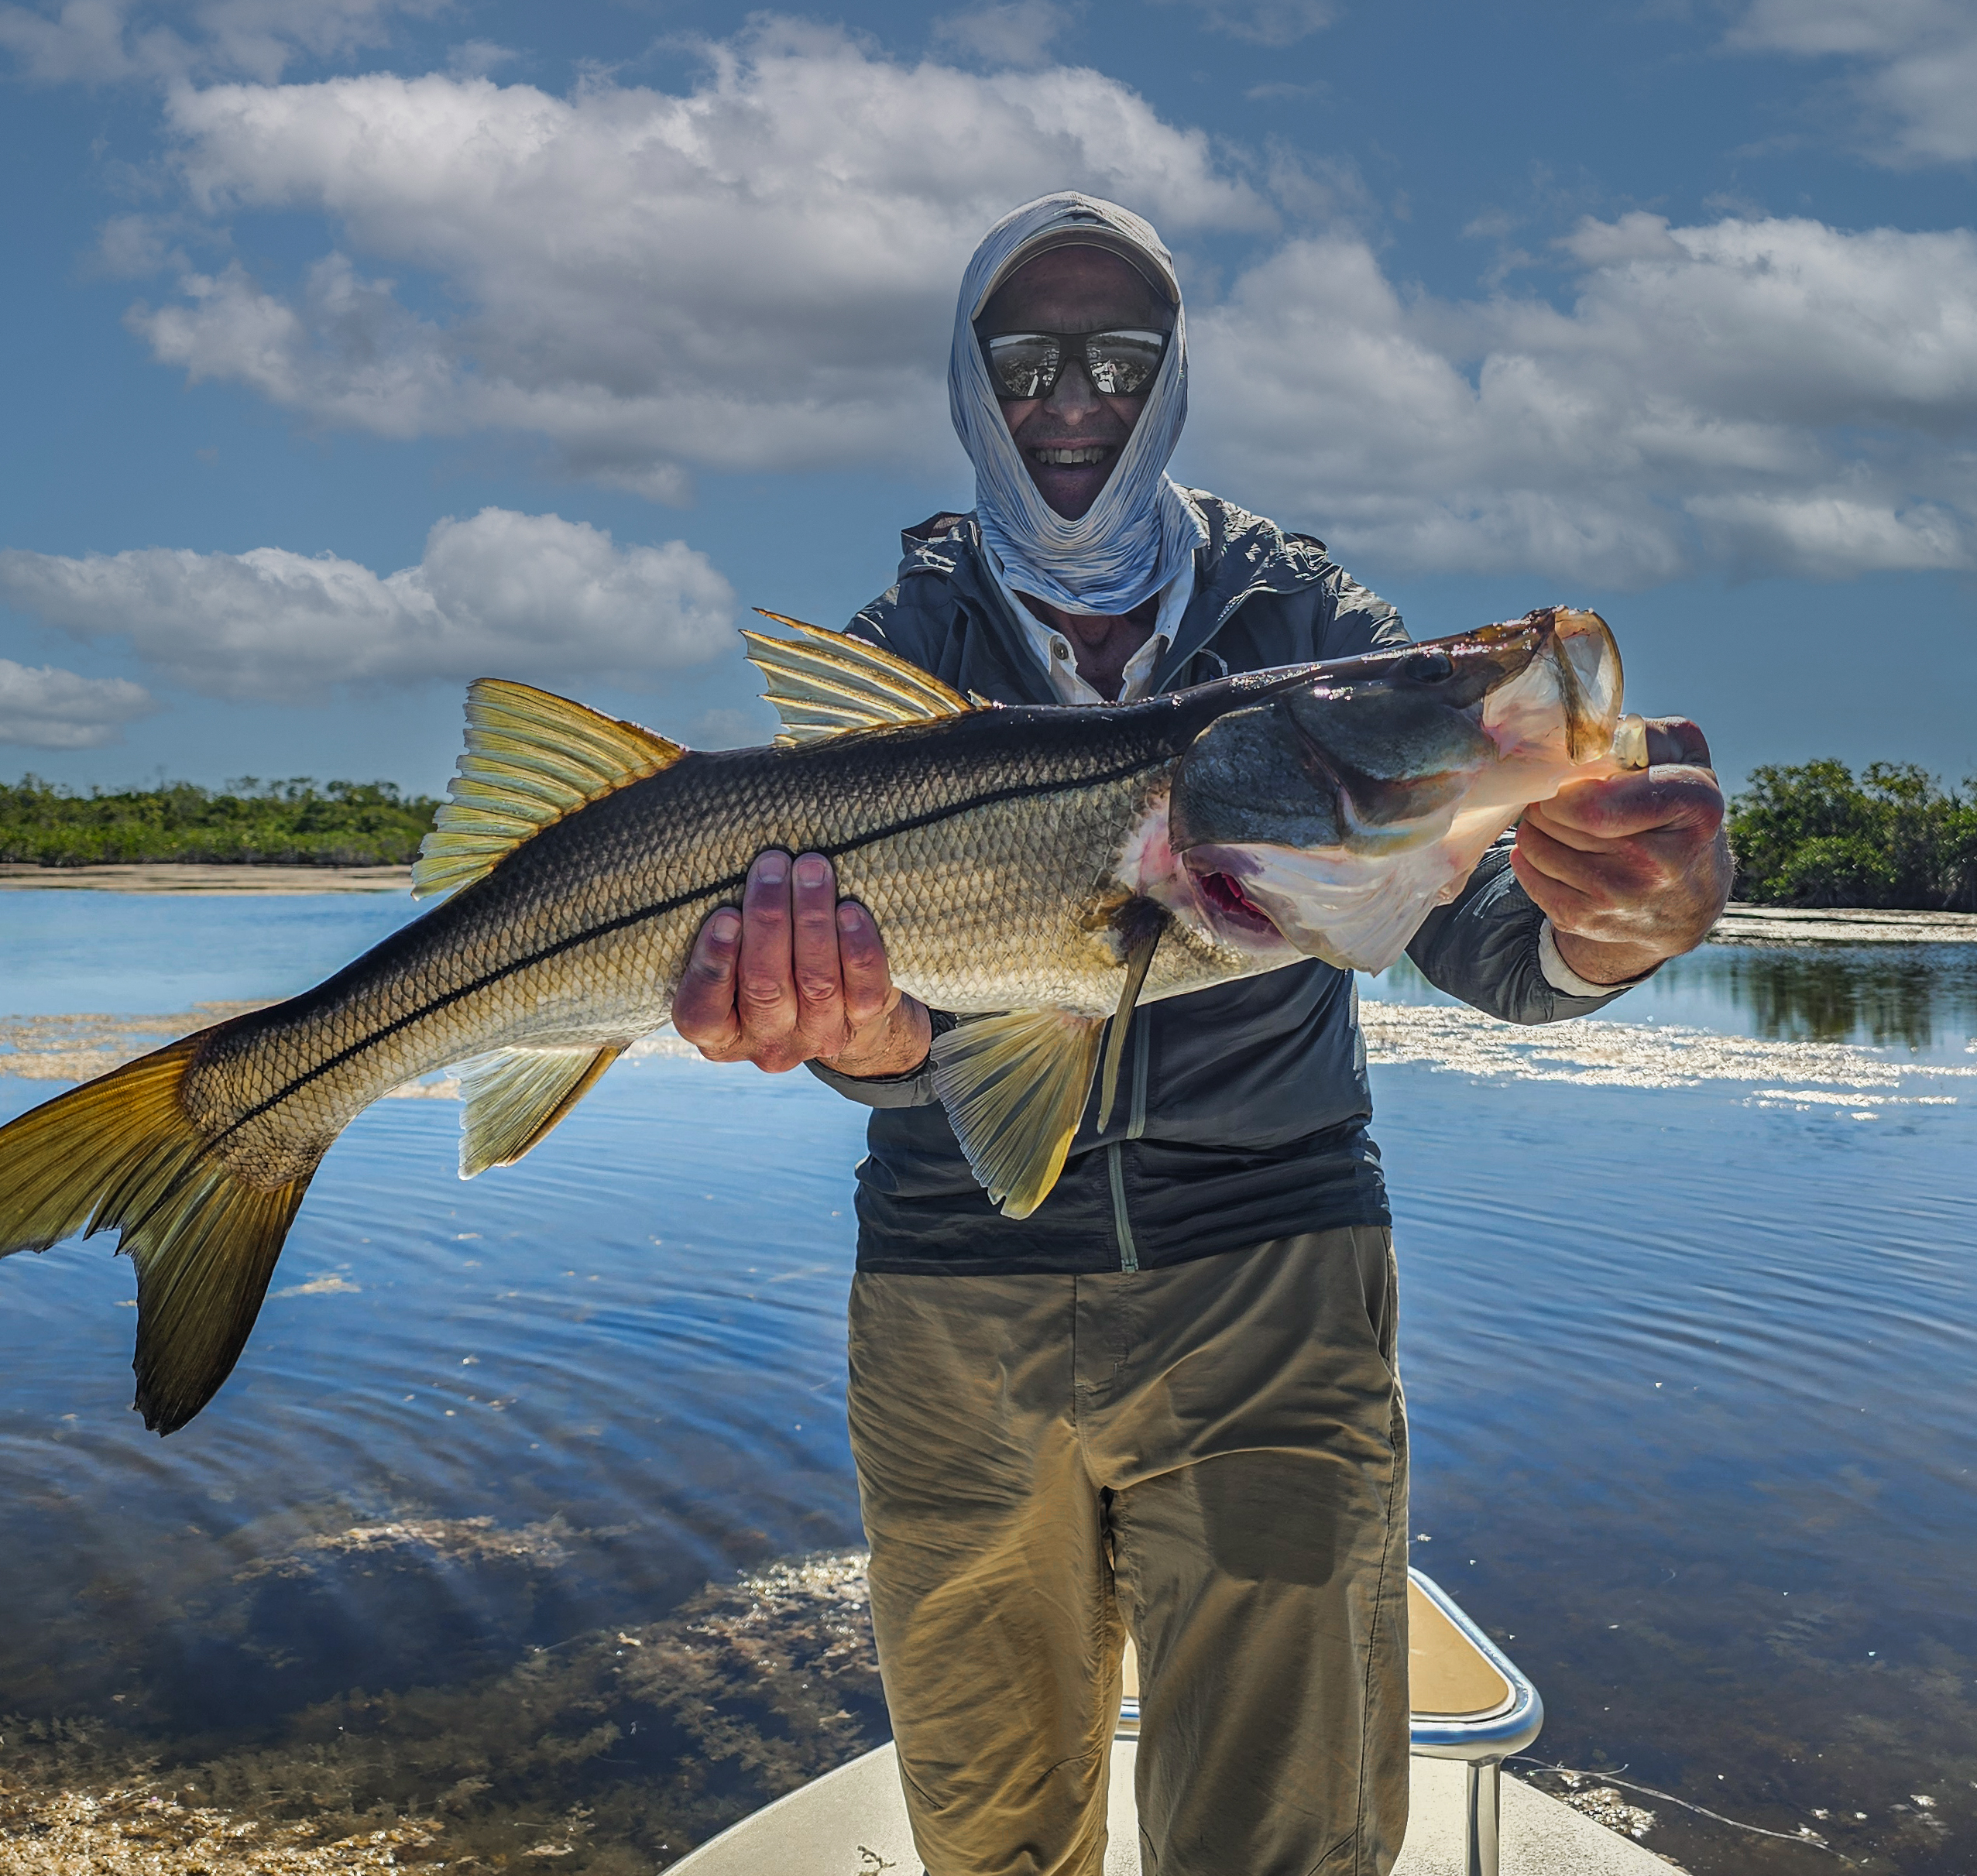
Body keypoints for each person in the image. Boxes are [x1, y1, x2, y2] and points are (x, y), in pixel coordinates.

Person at [670, 193, 1731, 1875]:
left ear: (1172, 378)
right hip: (953, 1297)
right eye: (1027, 358)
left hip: (1271, 1285)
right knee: (987, 1831)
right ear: (969, 381)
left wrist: (1616, 924)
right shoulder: (893, 658)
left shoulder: (1306, 630)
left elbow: (1502, 954)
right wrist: (864, 1047)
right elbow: (893, 1036)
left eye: (1118, 353)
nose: (1073, 394)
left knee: (1280, 1843)